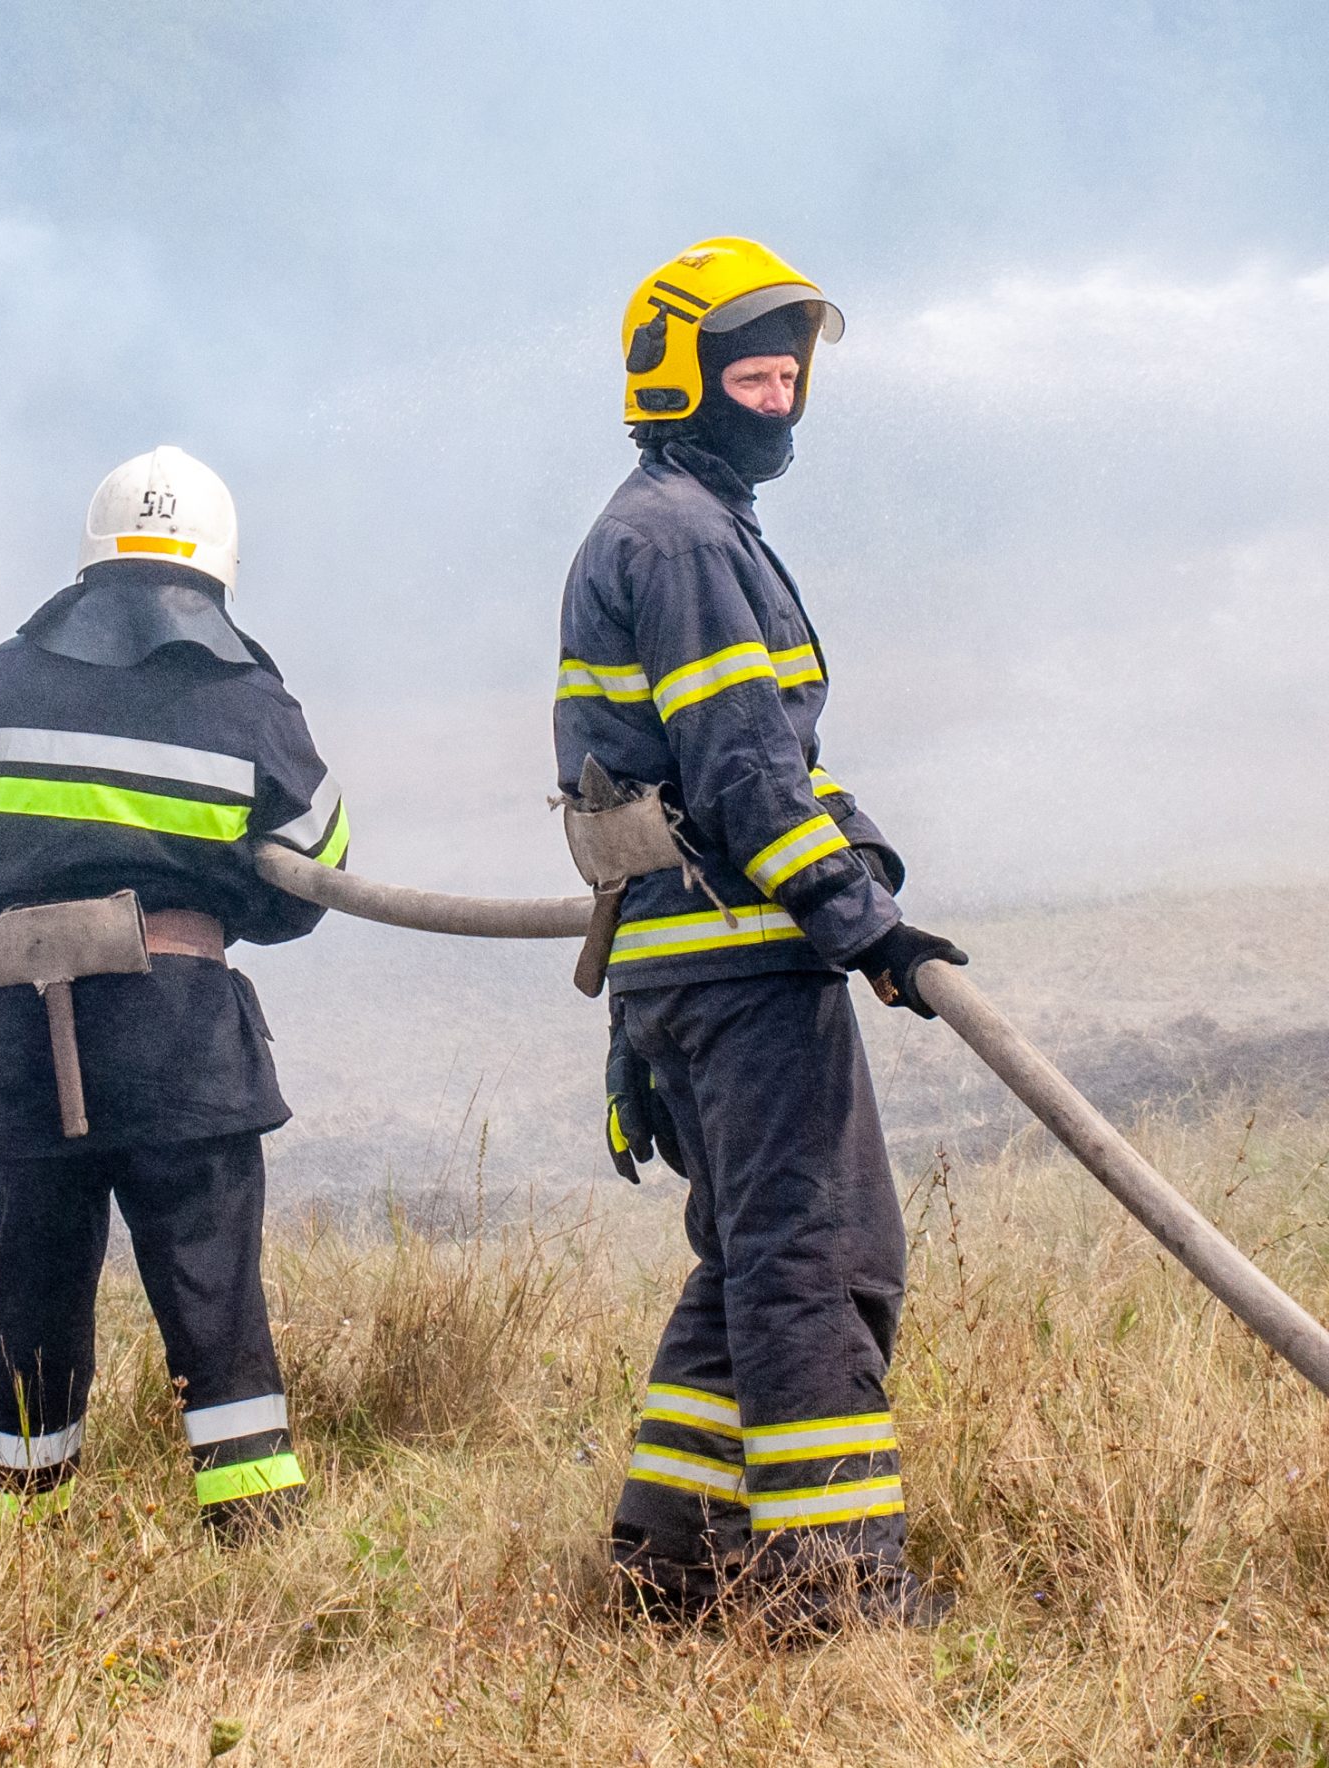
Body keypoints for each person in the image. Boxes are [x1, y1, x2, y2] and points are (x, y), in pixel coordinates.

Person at [555, 238, 965, 1628]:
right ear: (680, 377)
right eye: (751, 369)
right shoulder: (681, 540)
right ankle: (833, 1590)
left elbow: (738, 768)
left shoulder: (677, 528)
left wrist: (866, 872)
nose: (778, 395)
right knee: (817, 1260)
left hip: (689, 963)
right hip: (741, 961)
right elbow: (742, 775)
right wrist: (870, 929)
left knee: (744, 1261)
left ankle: (672, 1559)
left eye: (792, 374)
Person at [0, 445, 349, 1537]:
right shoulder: (246, 695)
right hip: (174, 1038)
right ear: (215, 572)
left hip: (27, 1030)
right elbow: (316, 863)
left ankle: (12, 1535)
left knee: (33, 1277)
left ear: (88, 563)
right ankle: (253, 1530)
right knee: (211, 1286)